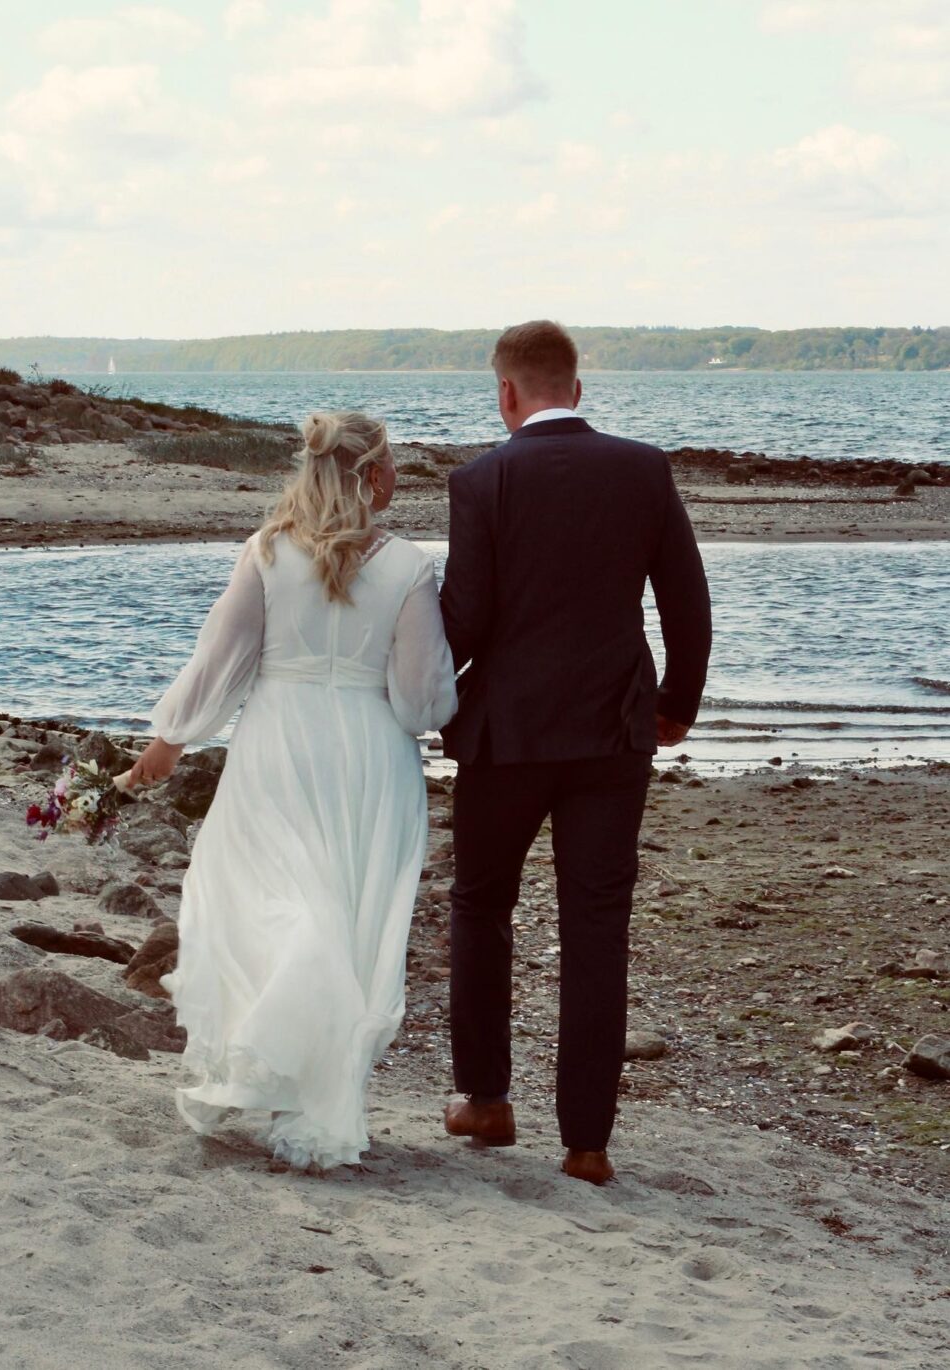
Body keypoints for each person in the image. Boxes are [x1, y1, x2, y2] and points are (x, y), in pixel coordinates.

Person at [127, 411, 457, 1170]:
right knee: (343, 915)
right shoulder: (408, 567)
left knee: (272, 896)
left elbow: (221, 660)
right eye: (391, 464)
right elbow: (420, 704)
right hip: (370, 756)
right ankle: (311, 1100)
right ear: (372, 477)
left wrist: (171, 739)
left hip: (278, 746)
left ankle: (272, 1061)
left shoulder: (267, 552)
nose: (397, 476)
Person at [439, 320, 712, 1184]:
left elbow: (464, 621)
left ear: (506, 393)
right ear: (577, 389)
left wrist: (411, 697)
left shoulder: (481, 480)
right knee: (596, 925)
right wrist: (676, 705)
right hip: (612, 731)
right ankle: (587, 1144)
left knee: (481, 905)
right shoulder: (644, 469)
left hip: (506, 737)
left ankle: (487, 1100)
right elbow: (687, 602)